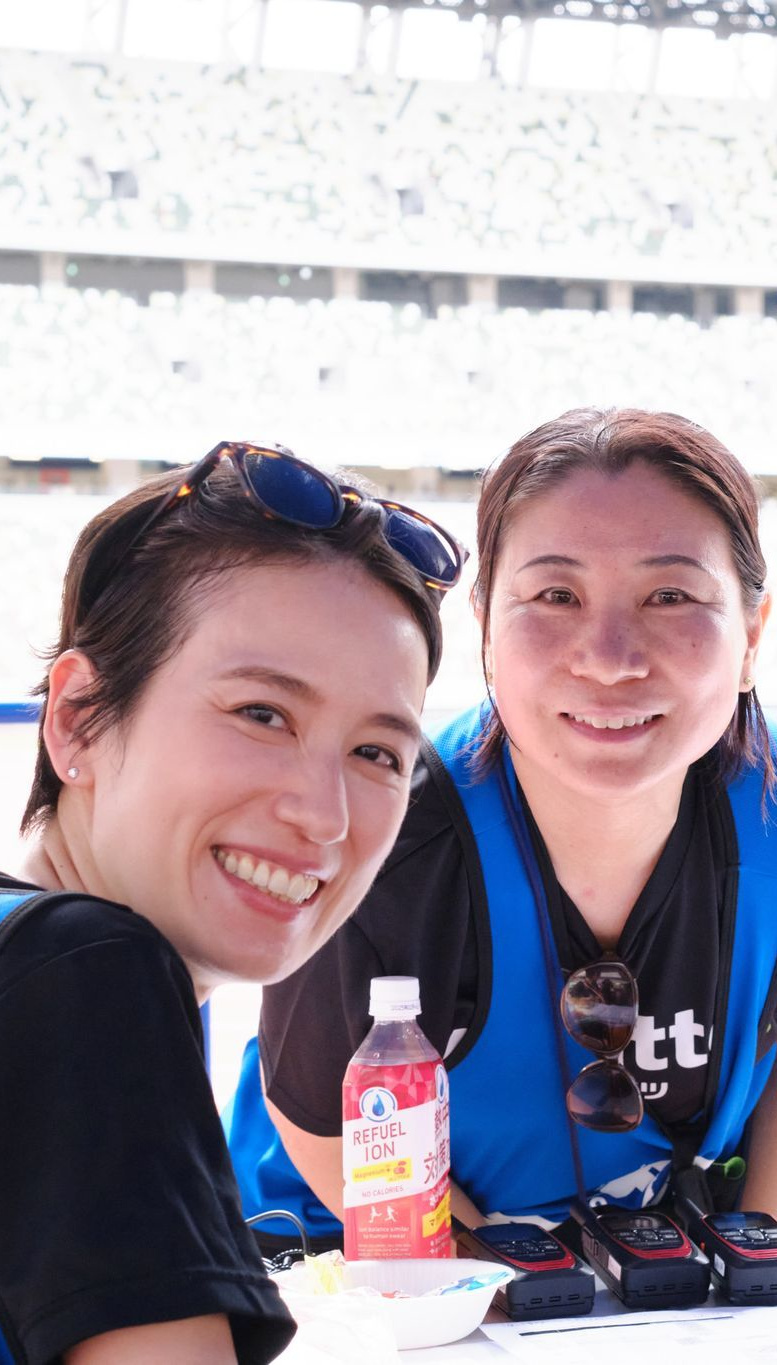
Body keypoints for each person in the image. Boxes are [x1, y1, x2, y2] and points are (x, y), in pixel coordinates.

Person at [228, 408, 777, 1246]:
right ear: (484, 626)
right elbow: (332, 1130)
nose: (609, 657)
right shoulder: (384, 822)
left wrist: (745, 1268)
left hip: (660, 1268)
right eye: (554, 595)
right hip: (357, 1252)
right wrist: (523, 1297)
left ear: (752, 634)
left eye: (670, 595)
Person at [0, 441, 458, 1365]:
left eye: (377, 754)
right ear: (77, 719)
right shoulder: (83, 971)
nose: (324, 816)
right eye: (261, 713)